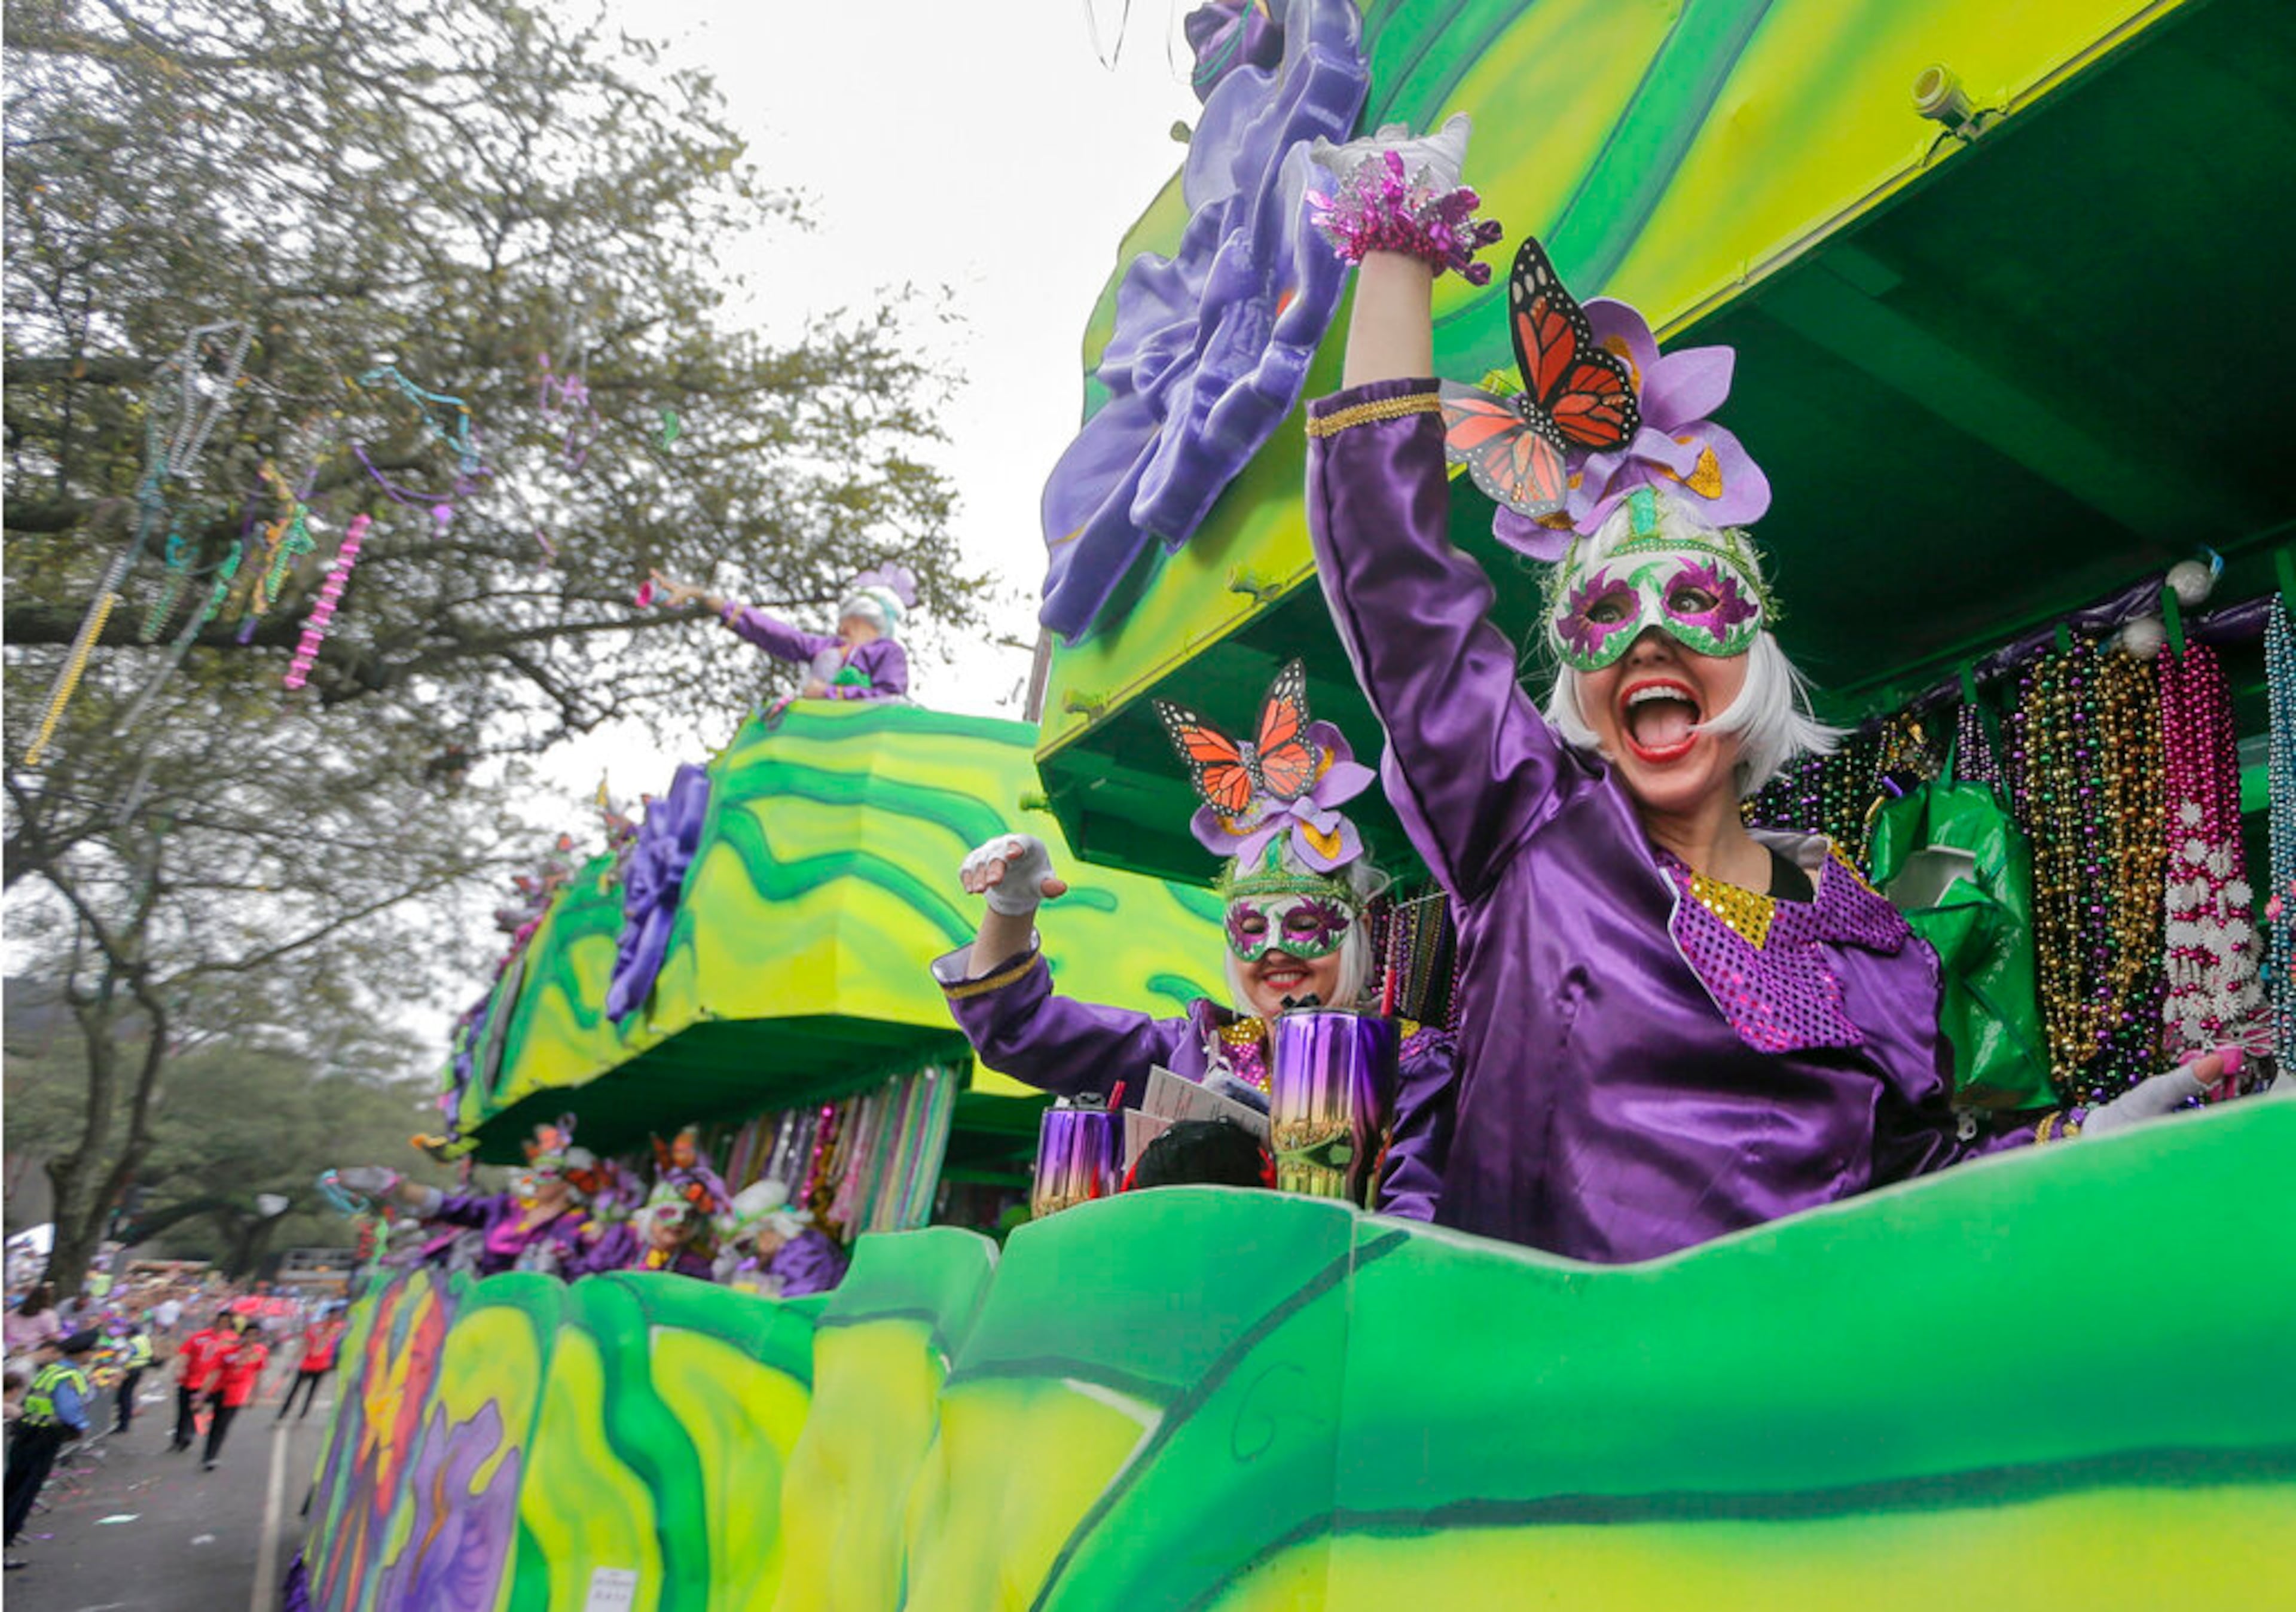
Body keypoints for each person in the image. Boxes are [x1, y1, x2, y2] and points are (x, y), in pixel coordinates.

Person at [1295, 115, 2248, 1263]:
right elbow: (1400, 597)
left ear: (1755, 654)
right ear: (1576, 684)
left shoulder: (1876, 940)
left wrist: (2087, 1140)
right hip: (1551, 1419)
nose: (1648, 639)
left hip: (1798, 1421)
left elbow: (1910, 1184)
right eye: (1605, 617)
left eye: (1693, 602)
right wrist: (1396, 246)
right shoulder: (1532, 840)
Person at [938, 662, 1457, 1219]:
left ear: (1352, 933)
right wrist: (1011, 906)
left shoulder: (1412, 1063)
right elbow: (1019, 1032)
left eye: (1305, 924)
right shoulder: (1197, 1050)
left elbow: (1417, 1227)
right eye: (1252, 929)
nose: (1276, 949)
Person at [335, 1119, 628, 1279]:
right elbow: (449, 1207)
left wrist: (560, 1268)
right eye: (534, 1172)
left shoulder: (586, 1227)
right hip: (483, 1312)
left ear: (570, 1182)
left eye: (547, 1174)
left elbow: (595, 1275)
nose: (536, 1180)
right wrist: (395, 1187)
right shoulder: (505, 1208)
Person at [648, 564, 917, 700]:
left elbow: (891, 698)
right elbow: (772, 632)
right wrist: (703, 596)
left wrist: (832, 694)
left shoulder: (887, 652)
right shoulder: (826, 647)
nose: (841, 628)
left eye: (848, 620)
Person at [4, 1330, 96, 1570]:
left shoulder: (50, 1370)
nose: (93, 1354)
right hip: (44, 1437)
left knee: (11, 1489)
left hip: (26, 1432)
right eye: (91, 1350)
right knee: (22, 1495)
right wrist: (81, 1426)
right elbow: (68, 1410)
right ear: (83, 1353)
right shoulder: (69, 1375)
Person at [713, 1181, 848, 1298]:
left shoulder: (807, 1253)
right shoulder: (779, 1255)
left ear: (769, 1228)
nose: (750, 1253)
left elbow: (797, 1301)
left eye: (747, 1244)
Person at [199, 1315, 267, 1471]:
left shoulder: (260, 1352)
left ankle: (211, 1457)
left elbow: (258, 1375)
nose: (251, 1338)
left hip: (237, 1393)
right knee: (214, 1422)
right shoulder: (228, 1350)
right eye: (248, 1334)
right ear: (243, 1335)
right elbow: (214, 1372)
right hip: (219, 1389)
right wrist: (202, 1395)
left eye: (255, 1335)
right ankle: (208, 1448)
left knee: (222, 1425)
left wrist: (254, 1396)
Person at [170, 1309, 234, 1452]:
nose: (223, 1324)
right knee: (183, 1411)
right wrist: (181, 1368)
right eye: (221, 1321)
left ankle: (188, 1435)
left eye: (227, 1322)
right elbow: (185, 1352)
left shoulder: (231, 1341)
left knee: (195, 1408)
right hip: (189, 1379)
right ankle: (178, 1439)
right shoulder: (201, 1336)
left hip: (207, 1383)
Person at [276, 1307, 345, 1421]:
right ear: (328, 1316)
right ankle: (283, 1412)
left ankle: (303, 1413)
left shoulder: (338, 1328)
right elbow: (305, 1345)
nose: (335, 1319)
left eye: (337, 1317)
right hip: (308, 1364)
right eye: (333, 1316)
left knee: (312, 1391)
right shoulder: (315, 1328)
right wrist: (292, 1363)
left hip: (323, 1365)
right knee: (295, 1389)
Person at [110, 1315, 153, 1434]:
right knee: (127, 1395)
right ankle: (124, 1422)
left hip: (131, 1369)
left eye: (127, 1331)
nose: (126, 1334)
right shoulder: (144, 1338)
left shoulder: (134, 1342)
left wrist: (115, 1360)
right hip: (140, 1369)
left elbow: (124, 1357)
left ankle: (123, 1424)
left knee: (124, 1396)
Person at [4, 1284, 62, 1369]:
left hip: (8, 1349)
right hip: (31, 1354)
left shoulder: (14, 1312)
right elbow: (53, 1338)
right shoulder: (48, 1315)